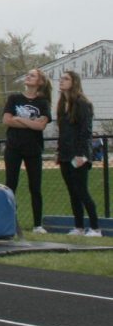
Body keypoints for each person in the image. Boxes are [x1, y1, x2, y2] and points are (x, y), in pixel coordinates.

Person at [3, 68, 53, 234]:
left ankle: (38, 224)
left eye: (32, 75)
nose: (28, 77)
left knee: (35, 186)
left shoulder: (43, 102)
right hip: (14, 147)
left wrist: (20, 119)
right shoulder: (14, 98)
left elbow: (41, 125)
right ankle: (9, 221)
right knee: (11, 184)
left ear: (39, 82)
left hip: (33, 148)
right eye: (28, 74)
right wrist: (28, 122)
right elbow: (7, 120)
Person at [56, 70, 102, 237]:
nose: (62, 81)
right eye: (61, 79)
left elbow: (85, 131)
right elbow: (63, 132)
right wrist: (59, 153)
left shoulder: (83, 104)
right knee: (72, 192)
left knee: (82, 191)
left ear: (74, 82)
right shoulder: (62, 105)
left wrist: (82, 154)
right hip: (65, 155)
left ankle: (96, 228)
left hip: (78, 156)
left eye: (66, 79)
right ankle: (79, 227)